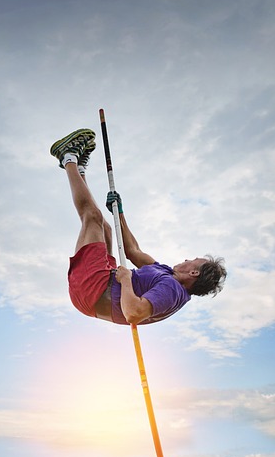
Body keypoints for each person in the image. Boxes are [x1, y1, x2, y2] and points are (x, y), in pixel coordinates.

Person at [50, 128, 226, 326]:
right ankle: (80, 168)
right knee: (105, 228)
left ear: (194, 273)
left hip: (93, 291)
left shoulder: (173, 291)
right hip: (102, 283)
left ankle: (68, 157)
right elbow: (133, 251)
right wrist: (120, 213)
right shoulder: (166, 272)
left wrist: (126, 280)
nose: (187, 259)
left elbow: (134, 314)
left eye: (193, 260)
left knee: (92, 217)